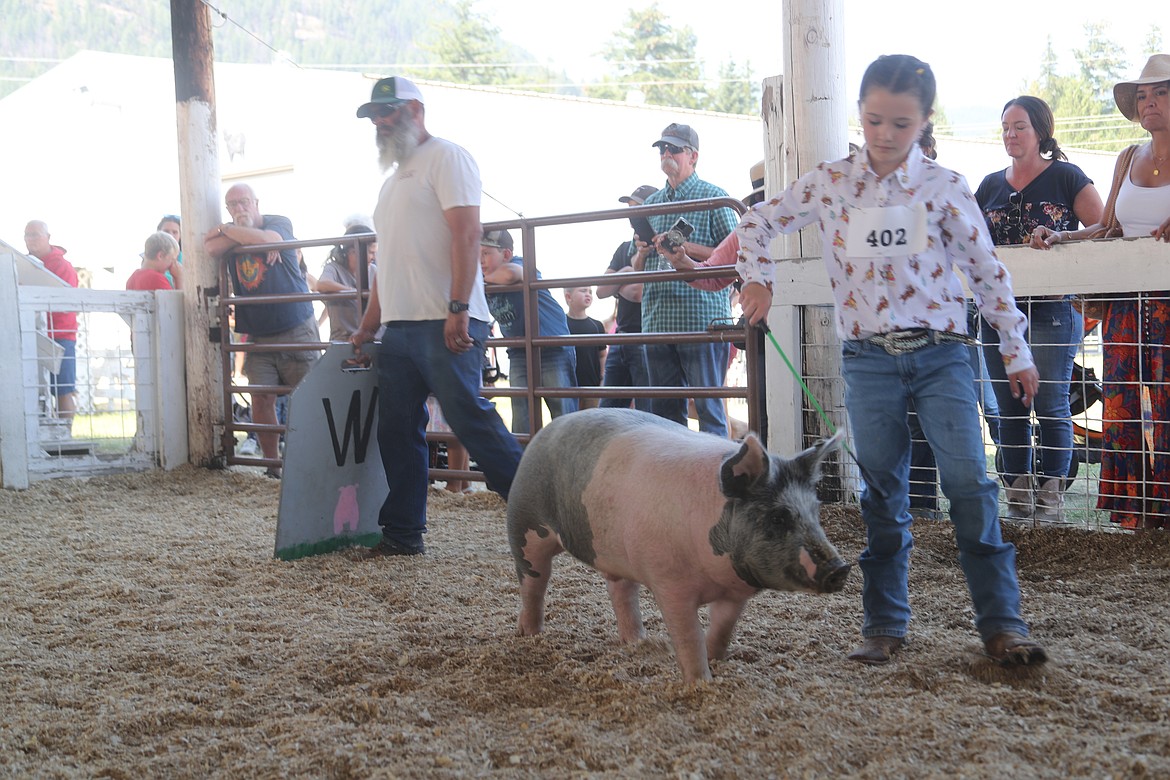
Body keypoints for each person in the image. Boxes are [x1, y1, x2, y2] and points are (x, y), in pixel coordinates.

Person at [735, 54, 1047, 667]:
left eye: (900, 124)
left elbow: (987, 271)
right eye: (874, 119)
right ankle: (883, 624)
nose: (884, 134)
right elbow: (757, 222)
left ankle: (1003, 625)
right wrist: (758, 279)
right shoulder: (829, 182)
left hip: (944, 355)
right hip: (867, 358)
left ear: (924, 121)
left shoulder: (945, 187)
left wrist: (1016, 348)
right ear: (860, 112)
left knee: (970, 484)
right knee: (881, 491)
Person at [349, 75, 524, 556]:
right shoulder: (389, 185)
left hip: (446, 317)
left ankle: (538, 509)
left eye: (389, 112)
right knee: (397, 429)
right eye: (376, 116)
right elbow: (387, 265)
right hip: (401, 325)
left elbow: (468, 233)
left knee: (468, 416)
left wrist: (459, 307)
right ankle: (403, 532)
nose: (381, 122)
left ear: (416, 110)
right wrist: (368, 326)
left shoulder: (447, 157)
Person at [1034, 54, 1170, 530]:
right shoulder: (1129, 157)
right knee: (1121, 407)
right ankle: (1138, 516)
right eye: (1143, 95)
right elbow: (1107, 226)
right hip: (1125, 305)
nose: (1149, 102)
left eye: (1161, 92)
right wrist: (1059, 235)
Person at [974, 96, 1104, 522]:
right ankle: (1017, 500)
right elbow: (968, 239)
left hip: (1051, 310)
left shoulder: (1066, 177)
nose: (1011, 134)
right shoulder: (990, 186)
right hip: (996, 313)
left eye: (1020, 126)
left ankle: (1050, 503)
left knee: (1050, 405)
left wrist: (1061, 238)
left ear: (1040, 132)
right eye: (1006, 126)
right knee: (1009, 408)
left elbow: (1104, 225)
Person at [203, 182, 319, 479]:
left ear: (257, 202)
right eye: (233, 205)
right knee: (261, 398)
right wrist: (246, 238)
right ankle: (273, 465)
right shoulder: (231, 231)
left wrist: (233, 234)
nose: (239, 209)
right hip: (259, 333)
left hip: (294, 326)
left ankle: (312, 463)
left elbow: (271, 238)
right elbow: (211, 247)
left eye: (244, 202)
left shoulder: (278, 221)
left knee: (308, 397)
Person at [636, 123, 738, 436]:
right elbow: (635, 260)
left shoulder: (715, 198)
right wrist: (641, 251)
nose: (666, 153)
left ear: (692, 156)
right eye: (662, 148)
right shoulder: (650, 206)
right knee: (665, 414)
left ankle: (717, 481)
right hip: (658, 319)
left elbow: (735, 254)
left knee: (709, 408)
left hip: (701, 319)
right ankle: (674, 480)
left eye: (674, 149)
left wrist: (685, 248)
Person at [479, 228, 578, 433]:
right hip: (518, 351)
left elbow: (510, 275)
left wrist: (477, 279)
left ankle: (567, 462)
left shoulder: (520, 264)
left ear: (506, 254)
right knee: (522, 414)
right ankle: (525, 461)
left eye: (486, 253)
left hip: (551, 345)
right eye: (477, 253)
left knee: (562, 412)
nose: (480, 259)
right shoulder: (485, 280)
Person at [597, 185, 657, 412]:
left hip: (645, 338)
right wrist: (626, 274)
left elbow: (638, 293)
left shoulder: (662, 247)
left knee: (646, 412)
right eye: (630, 209)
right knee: (608, 412)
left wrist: (617, 284)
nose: (632, 215)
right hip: (622, 337)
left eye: (637, 208)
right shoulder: (624, 248)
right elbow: (601, 290)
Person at [25, 219, 80, 430]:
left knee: (63, 388)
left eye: (35, 235)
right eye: (27, 235)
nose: (30, 240)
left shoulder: (62, 266)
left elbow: (67, 303)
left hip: (60, 334)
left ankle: (65, 433)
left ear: (48, 237)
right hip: (32, 334)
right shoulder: (23, 263)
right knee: (34, 387)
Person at [317, 224, 376, 341]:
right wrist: (354, 292)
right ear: (352, 252)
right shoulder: (334, 268)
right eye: (370, 252)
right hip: (343, 338)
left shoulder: (374, 270)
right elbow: (321, 284)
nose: (374, 257)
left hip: (371, 337)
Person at [563, 286, 606, 410]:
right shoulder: (562, 324)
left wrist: (602, 378)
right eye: (583, 291)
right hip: (568, 386)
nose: (588, 294)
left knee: (591, 422)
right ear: (568, 297)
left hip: (592, 386)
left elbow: (602, 354)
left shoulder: (597, 326)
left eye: (590, 292)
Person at [156, 214, 183, 288]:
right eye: (166, 231)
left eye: (175, 232)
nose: (170, 235)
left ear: (180, 235)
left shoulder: (189, 259)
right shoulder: (150, 257)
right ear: (159, 232)